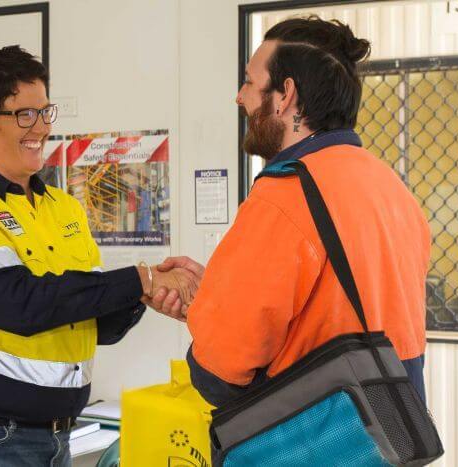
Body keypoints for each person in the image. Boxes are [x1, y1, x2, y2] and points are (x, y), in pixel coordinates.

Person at [0, 45, 199, 467]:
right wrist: (141, 279)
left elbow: (96, 325)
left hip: (54, 439)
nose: (40, 127)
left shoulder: (64, 208)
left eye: (45, 112)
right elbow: (13, 303)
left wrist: (146, 295)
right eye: (24, 114)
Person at [150, 16, 430, 412]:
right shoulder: (390, 188)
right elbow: (336, 310)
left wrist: (212, 318)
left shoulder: (286, 193)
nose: (240, 97)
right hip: (388, 437)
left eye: (249, 82)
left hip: (315, 441)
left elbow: (220, 372)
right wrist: (218, 296)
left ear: (285, 95)